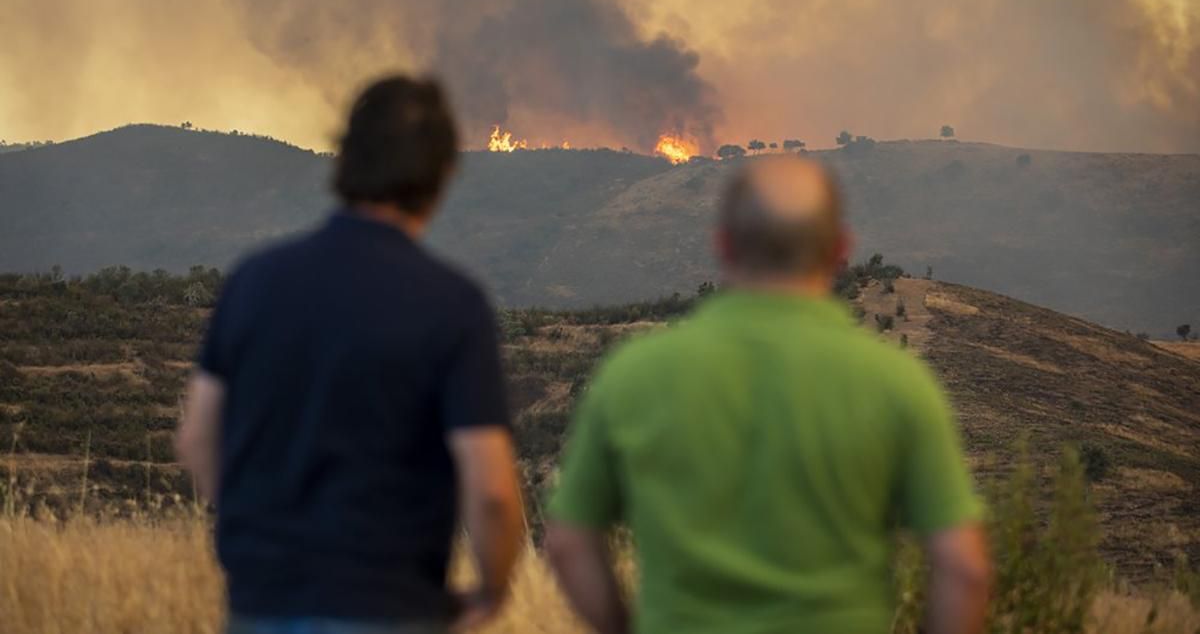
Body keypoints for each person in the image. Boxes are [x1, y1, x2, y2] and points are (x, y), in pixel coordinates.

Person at [545, 156, 991, 634]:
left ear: (722, 244)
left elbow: (569, 542)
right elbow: (963, 570)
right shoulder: (896, 382)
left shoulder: (635, 373)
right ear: (840, 249)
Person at [176, 76, 524, 634]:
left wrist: (257, 536)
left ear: (345, 160)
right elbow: (492, 493)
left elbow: (196, 438)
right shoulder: (452, 304)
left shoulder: (253, 281)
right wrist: (492, 590)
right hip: (391, 606)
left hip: (261, 604)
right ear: (441, 175)